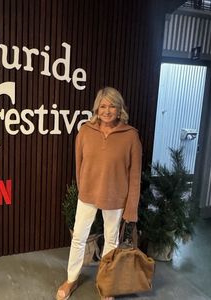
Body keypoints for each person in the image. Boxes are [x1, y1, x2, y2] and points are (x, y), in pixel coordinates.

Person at [56, 87, 142, 300]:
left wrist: (131, 209)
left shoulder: (131, 136)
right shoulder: (85, 131)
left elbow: (135, 176)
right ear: (96, 108)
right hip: (88, 195)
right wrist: (83, 188)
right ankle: (71, 279)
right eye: (103, 106)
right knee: (78, 238)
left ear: (119, 108)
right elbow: (79, 164)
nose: (107, 110)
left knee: (111, 241)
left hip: (116, 197)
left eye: (112, 105)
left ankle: (106, 285)